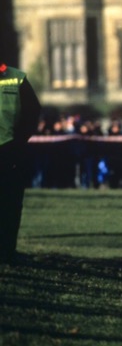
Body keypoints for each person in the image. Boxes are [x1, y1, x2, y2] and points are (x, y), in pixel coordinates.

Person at [0, 63, 41, 264]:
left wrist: (19, 140)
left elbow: (33, 111)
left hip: (9, 150)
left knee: (10, 204)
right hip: (10, 148)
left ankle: (7, 251)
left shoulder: (17, 78)